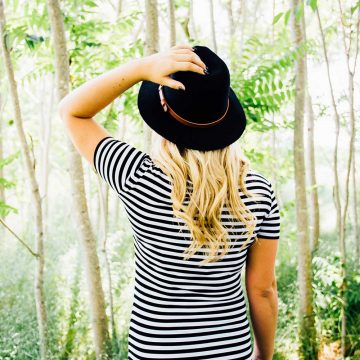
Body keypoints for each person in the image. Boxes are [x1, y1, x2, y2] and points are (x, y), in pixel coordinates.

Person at [59, 43, 281, 360]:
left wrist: (140, 68)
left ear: (163, 120)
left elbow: (72, 110)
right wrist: (264, 355)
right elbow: (263, 289)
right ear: (225, 118)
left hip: (154, 352)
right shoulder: (258, 191)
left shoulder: (135, 176)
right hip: (230, 352)